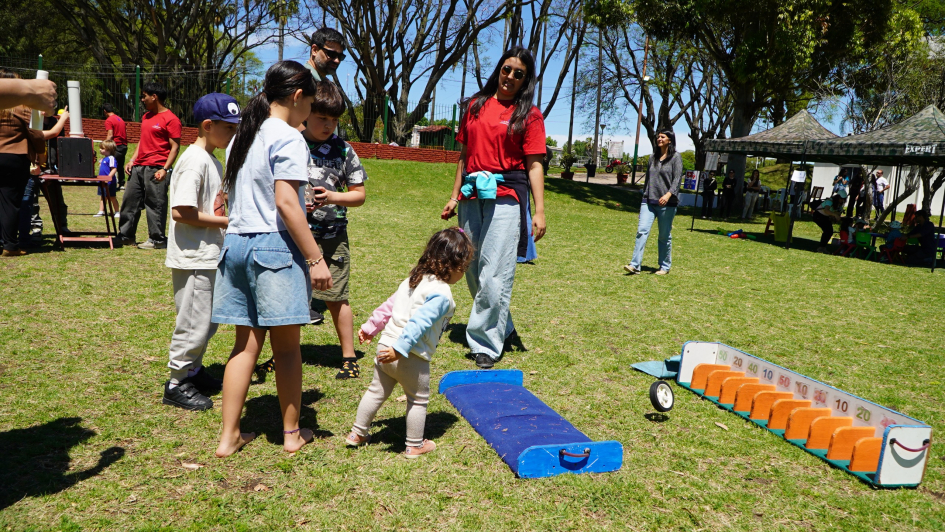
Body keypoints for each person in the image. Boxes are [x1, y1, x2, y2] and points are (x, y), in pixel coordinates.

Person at [212, 61, 332, 458]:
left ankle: (229, 437)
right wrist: (315, 259)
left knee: (244, 347)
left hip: (235, 246)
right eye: (310, 104)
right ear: (297, 97)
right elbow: (286, 203)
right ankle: (291, 435)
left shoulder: (241, 137)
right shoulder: (289, 137)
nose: (309, 114)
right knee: (287, 350)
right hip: (274, 248)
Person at [440, 46, 547, 369]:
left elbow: (535, 165)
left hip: (507, 194)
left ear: (526, 80)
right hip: (472, 193)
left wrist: (539, 210)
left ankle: (485, 342)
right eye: (506, 69)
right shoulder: (475, 106)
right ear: (498, 69)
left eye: (519, 74)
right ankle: (504, 324)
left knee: (495, 270)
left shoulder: (530, 115)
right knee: (470, 266)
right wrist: (454, 196)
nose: (510, 77)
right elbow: (464, 156)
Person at [255, 81, 367, 381]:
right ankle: (280, 354)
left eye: (334, 120)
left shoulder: (344, 150)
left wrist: (332, 197)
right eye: (322, 118)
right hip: (292, 235)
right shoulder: (291, 141)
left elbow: (359, 195)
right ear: (307, 113)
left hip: (332, 238)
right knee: (288, 297)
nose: (328, 125)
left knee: (336, 297)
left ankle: (349, 357)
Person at [347, 227, 474, 457]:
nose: (462, 274)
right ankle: (414, 445)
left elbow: (388, 307)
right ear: (451, 265)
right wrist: (400, 349)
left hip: (384, 348)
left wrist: (369, 328)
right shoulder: (442, 293)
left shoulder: (412, 281)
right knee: (418, 399)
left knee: (375, 391)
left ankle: (357, 433)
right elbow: (419, 322)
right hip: (409, 354)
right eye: (463, 268)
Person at [162, 93, 239, 411]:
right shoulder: (194, 160)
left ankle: (192, 370)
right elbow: (181, 211)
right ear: (208, 125)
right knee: (193, 320)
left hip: (209, 253)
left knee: (206, 320)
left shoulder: (212, 160)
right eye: (228, 127)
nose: (233, 133)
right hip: (194, 255)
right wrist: (228, 220)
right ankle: (176, 382)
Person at [118, 81, 181, 249]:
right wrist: (132, 160)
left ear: (154, 97)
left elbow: (175, 147)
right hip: (139, 166)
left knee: (155, 204)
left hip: (157, 167)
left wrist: (165, 169)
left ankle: (157, 239)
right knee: (129, 201)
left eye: (144, 96)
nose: (142, 99)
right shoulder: (146, 117)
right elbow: (142, 140)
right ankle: (126, 236)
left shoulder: (171, 119)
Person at [0, 69, 48, 257]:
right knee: (11, 202)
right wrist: (41, 154)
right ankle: (10, 245)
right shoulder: (23, 108)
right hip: (15, 157)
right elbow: (36, 133)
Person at [624, 130, 683, 276]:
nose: (659, 138)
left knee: (664, 236)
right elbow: (648, 180)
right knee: (642, 231)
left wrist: (668, 195)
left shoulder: (676, 157)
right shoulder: (652, 157)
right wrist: (644, 198)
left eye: (663, 137)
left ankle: (664, 266)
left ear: (670, 140)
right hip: (648, 201)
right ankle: (635, 265)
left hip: (667, 203)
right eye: (658, 137)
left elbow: (677, 179)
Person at [103, 104, 128, 189]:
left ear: (105, 111)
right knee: (120, 165)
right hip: (124, 145)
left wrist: (105, 146)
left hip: (116, 146)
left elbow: (110, 135)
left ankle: (109, 182)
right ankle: (121, 184)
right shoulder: (120, 119)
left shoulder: (109, 120)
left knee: (110, 164)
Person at [93, 140, 120, 218]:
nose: (100, 150)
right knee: (103, 196)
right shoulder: (104, 159)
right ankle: (101, 211)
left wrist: (108, 177)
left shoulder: (111, 158)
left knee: (112, 197)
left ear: (109, 149)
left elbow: (114, 169)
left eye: (102, 148)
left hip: (109, 182)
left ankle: (117, 212)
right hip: (102, 181)